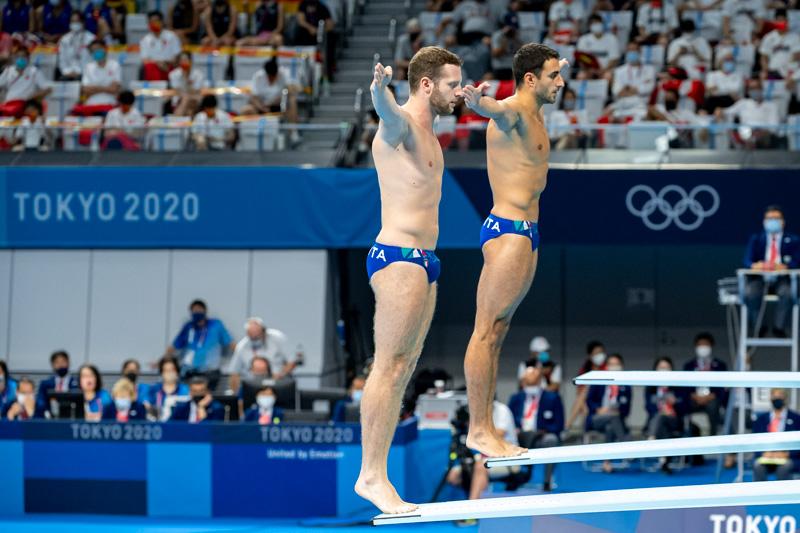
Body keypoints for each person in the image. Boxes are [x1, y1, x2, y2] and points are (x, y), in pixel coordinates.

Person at [356, 47, 463, 514]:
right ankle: (371, 476)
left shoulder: (433, 136)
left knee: (404, 369)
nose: (458, 92)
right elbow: (388, 115)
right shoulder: (400, 125)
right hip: (398, 256)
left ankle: (376, 473)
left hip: (425, 261)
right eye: (452, 83)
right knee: (389, 366)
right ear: (426, 84)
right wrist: (380, 89)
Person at [459, 43, 566, 459]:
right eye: (554, 76)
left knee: (497, 333)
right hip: (509, 231)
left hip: (527, 233)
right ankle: (479, 430)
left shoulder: (535, 110)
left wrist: (555, 63)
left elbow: (535, 81)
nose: (561, 81)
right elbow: (496, 111)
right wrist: (478, 102)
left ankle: (486, 428)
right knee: (485, 332)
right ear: (529, 79)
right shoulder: (516, 112)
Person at [743, 205, 800, 337]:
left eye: (776, 218)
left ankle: (778, 327)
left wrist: (784, 266)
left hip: (782, 279)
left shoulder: (794, 240)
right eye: (769, 218)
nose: (772, 221)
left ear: (782, 221)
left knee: (788, 292)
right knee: (750, 292)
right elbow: (747, 261)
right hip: (760, 278)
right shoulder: (756, 239)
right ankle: (759, 326)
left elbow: (797, 261)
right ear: (764, 222)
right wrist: (757, 266)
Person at [507, 367, 563, 490]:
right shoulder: (515, 398)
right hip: (519, 437)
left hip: (540, 436)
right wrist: (514, 429)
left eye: (533, 383)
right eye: (528, 383)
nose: (530, 386)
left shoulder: (552, 398)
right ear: (523, 383)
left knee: (551, 439)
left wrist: (544, 431)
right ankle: (512, 478)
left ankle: (547, 481)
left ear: (540, 382)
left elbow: (559, 425)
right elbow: (508, 420)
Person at [166, 299, 235, 390]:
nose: (197, 312)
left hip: (210, 371)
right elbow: (175, 346)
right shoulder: (188, 327)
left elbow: (230, 343)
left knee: (206, 397)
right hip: (190, 371)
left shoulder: (216, 325)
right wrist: (163, 360)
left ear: (205, 311)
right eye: (194, 310)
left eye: (199, 309)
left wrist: (241, 358)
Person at [586, 353, 631, 473]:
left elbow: (627, 410)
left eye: (616, 364)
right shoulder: (599, 380)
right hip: (597, 418)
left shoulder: (626, 385)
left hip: (616, 419)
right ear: (606, 366)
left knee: (610, 426)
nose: (614, 367)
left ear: (622, 366)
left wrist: (618, 411)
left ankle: (607, 462)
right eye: (611, 364)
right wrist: (598, 409)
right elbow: (589, 400)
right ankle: (625, 445)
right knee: (611, 419)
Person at [228, 317, 297, 393]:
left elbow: (292, 361)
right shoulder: (242, 346)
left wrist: (278, 376)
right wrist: (234, 395)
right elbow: (234, 372)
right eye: (251, 335)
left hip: (278, 384)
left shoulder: (277, 338)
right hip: (252, 387)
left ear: (263, 330)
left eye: (257, 334)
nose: (254, 337)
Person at [645, 356, 688, 473]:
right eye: (661, 367)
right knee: (661, 419)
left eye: (667, 367)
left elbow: (685, 407)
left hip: (674, 420)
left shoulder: (678, 386)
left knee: (662, 419)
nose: (664, 370)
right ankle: (664, 461)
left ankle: (652, 438)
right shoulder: (651, 387)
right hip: (659, 421)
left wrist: (674, 405)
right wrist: (661, 411)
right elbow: (648, 407)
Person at [683, 332, 728, 436]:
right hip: (694, 398)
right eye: (700, 345)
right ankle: (688, 434)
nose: (703, 347)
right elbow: (685, 386)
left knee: (714, 406)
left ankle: (713, 436)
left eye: (705, 345)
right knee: (683, 405)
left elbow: (722, 387)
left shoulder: (720, 365)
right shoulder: (689, 365)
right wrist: (694, 395)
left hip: (712, 398)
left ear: (711, 346)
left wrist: (710, 396)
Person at [752, 388, 800, 482]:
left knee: (783, 468)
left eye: (780, 395)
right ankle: (760, 495)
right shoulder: (761, 419)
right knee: (758, 466)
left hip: (788, 457)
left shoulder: (796, 418)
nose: (777, 398)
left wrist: (787, 454)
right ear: (770, 398)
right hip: (766, 456)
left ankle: (783, 496)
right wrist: (763, 453)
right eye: (775, 395)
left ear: (785, 398)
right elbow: (755, 440)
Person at [565, 341, 607, 430]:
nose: (600, 355)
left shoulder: (606, 369)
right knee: (581, 401)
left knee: (581, 401)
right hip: (588, 402)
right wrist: (584, 406)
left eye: (601, 352)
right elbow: (580, 392)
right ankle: (569, 426)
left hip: (600, 401)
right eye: (596, 353)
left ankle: (567, 425)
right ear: (590, 356)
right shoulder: (585, 370)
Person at [0, 47, 51, 118]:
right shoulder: (8, 70)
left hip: (25, 104)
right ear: (14, 58)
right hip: (9, 105)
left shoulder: (34, 72)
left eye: (23, 56)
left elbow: (48, 89)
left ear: (28, 58)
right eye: (18, 56)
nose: (20, 59)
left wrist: (32, 97)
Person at [79, 40, 121, 115]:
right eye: (93, 51)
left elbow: (114, 89)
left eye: (98, 49)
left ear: (105, 49)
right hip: (91, 104)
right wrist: (106, 88)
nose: (96, 52)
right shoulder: (88, 67)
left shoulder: (115, 65)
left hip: (109, 103)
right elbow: (85, 90)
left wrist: (95, 88)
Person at [575, 14, 620, 81]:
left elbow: (614, 59)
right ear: (589, 26)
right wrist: (588, 70)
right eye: (593, 23)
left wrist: (603, 70)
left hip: (606, 69)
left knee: (608, 76)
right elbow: (581, 58)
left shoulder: (612, 38)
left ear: (602, 24)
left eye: (598, 23)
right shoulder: (583, 39)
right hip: (589, 70)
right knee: (581, 76)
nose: (596, 25)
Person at [140, 11, 182, 81]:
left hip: (169, 66)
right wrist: (158, 63)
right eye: (151, 22)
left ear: (162, 22)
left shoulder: (171, 36)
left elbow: (177, 56)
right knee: (149, 67)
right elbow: (145, 60)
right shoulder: (145, 40)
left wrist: (166, 63)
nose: (154, 24)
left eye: (156, 21)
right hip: (153, 69)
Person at [147, 355, 190, 421]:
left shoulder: (186, 390)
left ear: (177, 372)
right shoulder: (153, 390)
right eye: (166, 370)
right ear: (161, 373)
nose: (169, 373)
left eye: (172, 370)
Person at [57, 12, 94, 81]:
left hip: (86, 73)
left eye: (77, 21)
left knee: (80, 79)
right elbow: (61, 60)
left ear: (83, 22)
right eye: (72, 21)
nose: (74, 24)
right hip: (68, 73)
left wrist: (82, 72)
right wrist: (66, 71)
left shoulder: (91, 38)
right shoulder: (64, 39)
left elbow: (92, 60)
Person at [168, 51, 206, 117]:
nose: (183, 62)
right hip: (179, 100)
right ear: (179, 62)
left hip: (194, 99)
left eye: (185, 60)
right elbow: (176, 91)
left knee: (192, 99)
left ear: (190, 61)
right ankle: (180, 119)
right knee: (187, 102)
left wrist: (186, 79)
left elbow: (196, 91)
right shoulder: (173, 74)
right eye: (181, 60)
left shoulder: (199, 74)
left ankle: (178, 119)